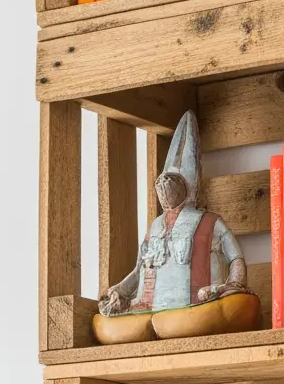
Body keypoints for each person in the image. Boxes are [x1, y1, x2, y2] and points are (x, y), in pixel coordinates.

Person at [100, 109, 246, 317]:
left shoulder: (211, 222)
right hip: (153, 310)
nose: (166, 188)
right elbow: (139, 269)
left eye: (174, 182)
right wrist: (120, 291)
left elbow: (235, 258)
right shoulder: (155, 226)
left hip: (198, 307)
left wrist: (232, 285)